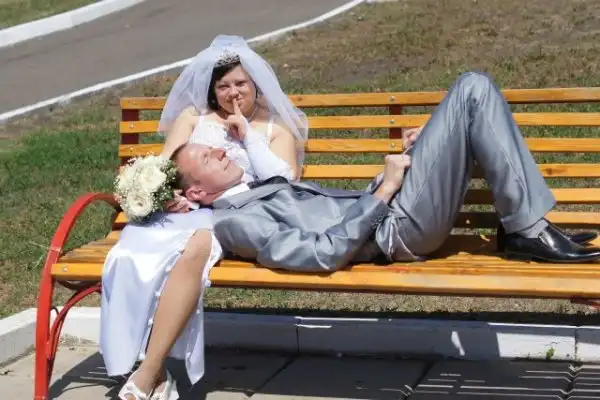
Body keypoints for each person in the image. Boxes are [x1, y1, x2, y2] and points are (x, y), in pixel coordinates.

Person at [171, 71, 600, 275]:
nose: (219, 151)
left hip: (388, 208)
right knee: (472, 89)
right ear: (196, 194)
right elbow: (320, 255)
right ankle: (526, 229)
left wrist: (423, 148)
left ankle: (524, 228)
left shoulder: (249, 189)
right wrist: (384, 191)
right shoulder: (234, 221)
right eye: (207, 157)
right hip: (393, 231)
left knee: (471, 97)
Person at [101, 35, 308, 400]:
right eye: (224, 86)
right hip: (180, 213)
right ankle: (155, 373)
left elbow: (283, 189)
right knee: (130, 253)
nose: (233, 93)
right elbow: (164, 166)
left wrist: (247, 139)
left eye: (241, 83)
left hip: (231, 217)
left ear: (256, 83)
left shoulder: (275, 130)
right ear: (213, 89)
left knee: (193, 250)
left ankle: (147, 373)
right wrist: (168, 195)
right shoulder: (193, 119)